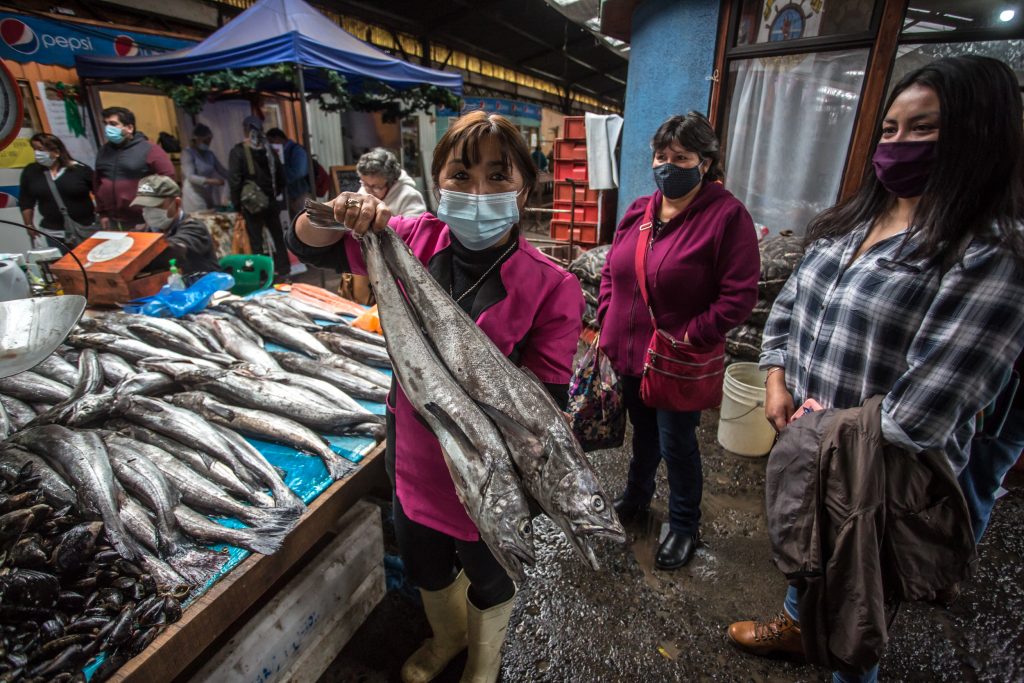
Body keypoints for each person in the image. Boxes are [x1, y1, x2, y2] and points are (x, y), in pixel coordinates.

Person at [727, 56, 1024, 683]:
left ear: (977, 135)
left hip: (877, 468)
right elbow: (788, 306)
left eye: (924, 130)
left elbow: (921, 415)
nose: (898, 145)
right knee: (811, 552)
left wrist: (811, 431)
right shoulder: (854, 221)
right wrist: (777, 376)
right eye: (889, 130)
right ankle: (797, 627)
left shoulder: (989, 255)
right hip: (812, 439)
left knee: (859, 598)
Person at [286, 111, 584, 683]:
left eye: (499, 177)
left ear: (526, 187)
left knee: (490, 568)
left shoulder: (553, 284)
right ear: (437, 180)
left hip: (488, 465)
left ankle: (484, 659)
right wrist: (337, 212)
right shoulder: (407, 236)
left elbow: (543, 397)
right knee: (422, 558)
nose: (478, 193)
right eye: (461, 175)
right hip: (414, 447)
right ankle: (446, 638)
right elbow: (312, 245)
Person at [596, 112, 760, 570]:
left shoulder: (727, 218)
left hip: (675, 358)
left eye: (682, 157)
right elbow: (613, 267)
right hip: (629, 353)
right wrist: (607, 311)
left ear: (704, 163)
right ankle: (636, 497)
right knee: (642, 433)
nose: (669, 166)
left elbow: (740, 295)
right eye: (662, 156)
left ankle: (684, 525)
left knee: (677, 443)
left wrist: (693, 334)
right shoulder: (639, 211)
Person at [94, 106, 175, 230]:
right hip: (113, 220)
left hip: (143, 219)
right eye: (105, 124)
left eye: (113, 124)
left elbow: (168, 181)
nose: (107, 128)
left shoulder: (149, 149)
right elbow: (97, 183)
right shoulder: (103, 151)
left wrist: (155, 214)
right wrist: (102, 213)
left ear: (129, 128)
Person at [228, 115, 289, 279]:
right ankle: (284, 269)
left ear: (246, 129)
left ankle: (261, 274)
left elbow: (234, 180)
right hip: (271, 200)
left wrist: (236, 205)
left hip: (251, 203)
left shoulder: (238, 151)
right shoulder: (269, 150)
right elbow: (282, 177)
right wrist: (274, 194)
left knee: (255, 241)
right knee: (278, 236)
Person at [130, 174, 220, 275]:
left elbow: (174, 251)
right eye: (145, 206)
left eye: (156, 206)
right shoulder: (145, 231)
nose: (149, 211)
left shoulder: (194, 228)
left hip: (202, 288)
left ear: (177, 204)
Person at [19, 133, 96, 248]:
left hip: (85, 229)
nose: (37, 153)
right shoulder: (31, 172)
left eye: (40, 149)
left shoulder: (79, 170)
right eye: (34, 149)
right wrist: (29, 224)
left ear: (56, 151)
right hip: (53, 233)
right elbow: (26, 201)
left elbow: (100, 193)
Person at [356, 147, 427, 217]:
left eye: (376, 187)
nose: (369, 192)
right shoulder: (365, 189)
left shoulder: (409, 196)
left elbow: (416, 226)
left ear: (391, 182)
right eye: (364, 184)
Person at [181, 123, 228, 212]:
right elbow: (190, 176)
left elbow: (222, 170)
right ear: (196, 139)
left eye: (209, 141)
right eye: (205, 141)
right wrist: (212, 181)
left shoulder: (209, 154)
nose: (208, 144)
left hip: (207, 193)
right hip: (193, 195)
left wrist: (235, 176)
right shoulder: (188, 153)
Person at [266, 127, 312, 218]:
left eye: (271, 142)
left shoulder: (296, 150)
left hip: (300, 195)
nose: (270, 145)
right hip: (288, 197)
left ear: (278, 139)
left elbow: (300, 171)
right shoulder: (281, 153)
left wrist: (281, 178)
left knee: (305, 223)